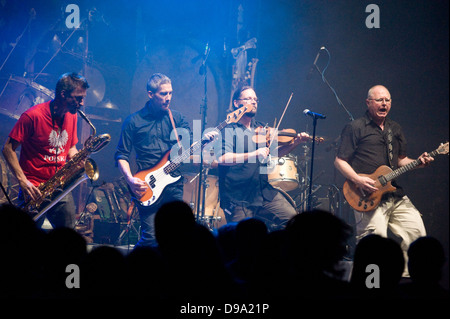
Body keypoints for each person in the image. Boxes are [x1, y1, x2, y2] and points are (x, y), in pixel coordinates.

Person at [334, 84, 434, 277]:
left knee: (417, 234)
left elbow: (400, 160)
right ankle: (373, 287)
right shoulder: (355, 127)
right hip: (367, 195)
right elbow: (340, 161)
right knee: (374, 247)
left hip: (394, 193)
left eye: (387, 100)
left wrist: (419, 163)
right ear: (368, 102)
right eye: (379, 100)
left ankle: (407, 280)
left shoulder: (394, 128)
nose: (384, 104)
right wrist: (358, 180)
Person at [115, 73, 216, 248]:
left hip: (173, 185)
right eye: (163, 94)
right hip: (147, 185)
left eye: (170, 93)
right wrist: (130, 180)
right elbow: (121, 154)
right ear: (150, 94)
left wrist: (204, 140)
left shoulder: (177, 119)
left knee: (178, 237)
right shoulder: (133, 121)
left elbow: (188, 145)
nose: (168, 98)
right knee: (151, 238)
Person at [217, 85, 310, 231]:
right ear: (236, 103)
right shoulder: (228, 129)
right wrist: (255, 154)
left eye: (255, 99)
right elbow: (223, 159)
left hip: (262, 191)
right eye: (248, 98)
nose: (253, 102)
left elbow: (274, 153)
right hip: (238, 196)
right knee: (240, 237)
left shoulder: (261, 128)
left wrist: (296, 143)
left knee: (293, 220)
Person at [2, 72, 89, 229]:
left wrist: (78, 160)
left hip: (60, 187)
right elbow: (8, 148)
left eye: (83, 98)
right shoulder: (32, 116)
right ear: (63, 94)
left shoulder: (73, 115)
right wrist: (23, 181)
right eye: (78, 98)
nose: (82, 103)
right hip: (34, 190)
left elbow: (70, 148)